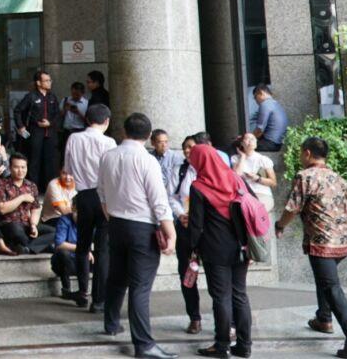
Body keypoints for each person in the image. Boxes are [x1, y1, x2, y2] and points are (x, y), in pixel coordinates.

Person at [275, 135, 347, 359]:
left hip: (321, 244)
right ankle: (324, 319)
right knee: (326, 280)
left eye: (301, 153)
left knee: (331, 286)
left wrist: (279, 225)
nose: (300, 157)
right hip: (342, 244)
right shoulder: (340, 180)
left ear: (308, 153)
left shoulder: (304, 176)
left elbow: (292, 209)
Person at [98, 112, 177, 359]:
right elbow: (159, 200)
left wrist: (112, 217)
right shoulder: (147, 160)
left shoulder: (108, 156)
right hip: (141, 227)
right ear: (149, 135)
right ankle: (144, 344)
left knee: (117, 277)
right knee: (140, 287)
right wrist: (170, 231)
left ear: (124, 131)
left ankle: (111, 323)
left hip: (116, 224)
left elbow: (101, 192)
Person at [187, 143, 252, 359]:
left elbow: (196, 224)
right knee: (240, 295)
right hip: (241, 246)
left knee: (221, 297)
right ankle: (244, 345)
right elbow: (251, 205)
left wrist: (193, 248)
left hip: (215, 249)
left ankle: (222, 346)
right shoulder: (235, 178)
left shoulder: (198, 187)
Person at [65, 101, 115, 311]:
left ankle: (82, 292)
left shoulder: (73, 138)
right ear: (106, 121)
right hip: (104, 197)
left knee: (82, 245)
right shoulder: (109, 142)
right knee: (102, 249)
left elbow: (67, 169)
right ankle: (99, 300)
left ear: (86, 119)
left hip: (83, 195)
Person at [169, 134, 203, 333]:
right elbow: (172, 196)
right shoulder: (180, 171)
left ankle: (227, 321)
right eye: (185, 148)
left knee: (217, 276)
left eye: (191, 146)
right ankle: (194, 317)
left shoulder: (209, 170)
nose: (187, 151)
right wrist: (181, 214)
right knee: (187, 273)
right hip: (185, 228)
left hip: (207, 230)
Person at [0, 153, 54, 253]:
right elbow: (2, 209)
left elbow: (36, 208)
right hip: (8, 224)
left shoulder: (31, 186)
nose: (20, 170)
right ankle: (40, 247)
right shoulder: (0, 183)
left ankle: (28, 247)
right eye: (16, 167)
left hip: (26, 225)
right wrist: (22, 198)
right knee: (16, 231)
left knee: (56, 232)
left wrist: (33, 225)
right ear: (10, 168)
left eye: (23, 167)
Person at [14, 69, 61, 190]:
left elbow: (58, 114)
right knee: (34, 161)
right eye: (46, 80)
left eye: (50, 80)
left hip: (50, 133)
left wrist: (50, 123)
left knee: (50, 161)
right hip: (35, 133)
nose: (49, 82)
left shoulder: (52, 97)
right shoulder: (31, 96)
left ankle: (49, 189)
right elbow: (18, 110)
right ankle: (33, 189)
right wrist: (21, 126)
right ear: (39, 83)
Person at [232, 131, 276, 213]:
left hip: (262, 194)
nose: (251, 140)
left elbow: (273, 182)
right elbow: (237, 175)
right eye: (248, 139)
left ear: (256, 142)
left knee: (256, 211)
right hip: (244, 194)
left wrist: (257, 178)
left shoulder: (264, 159)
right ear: (242, 143)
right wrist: (243, 157)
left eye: (253, 139)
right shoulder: (236, 158)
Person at [49, 210, 81, 300]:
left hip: (79, 261)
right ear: (73, 209)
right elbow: (59, 244)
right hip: (63, 262)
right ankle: (66, 289)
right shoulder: (64, 220)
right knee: (63, 254)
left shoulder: (88, 221)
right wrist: (82, 249)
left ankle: (86, 293)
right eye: (77, 212)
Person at [250, 85, 288, 152]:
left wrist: (248, 138)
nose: (256, 101)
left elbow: (259, 130)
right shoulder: (276, 104)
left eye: (255, 97)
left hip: (269, 143)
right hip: (278, 144)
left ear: (261, 93)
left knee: (240, 145)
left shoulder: (265, 104)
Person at [150, 129, 184, 193]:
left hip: (171, 193)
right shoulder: (149, 157)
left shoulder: (176, 157)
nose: (164, 145)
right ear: (152, 143)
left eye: (166, 142)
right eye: (160, 142)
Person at [60, 80, 88, 153]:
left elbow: (88, 120)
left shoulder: (86, 103)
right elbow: (59, 116)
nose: (74, 96)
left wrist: (78, 112)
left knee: (78, 152)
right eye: (73, 94)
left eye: (77, 94)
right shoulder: (65, 100)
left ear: (82, 93)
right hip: (67, 131)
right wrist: (65, 109)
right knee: (65, 152)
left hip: (80, 131)